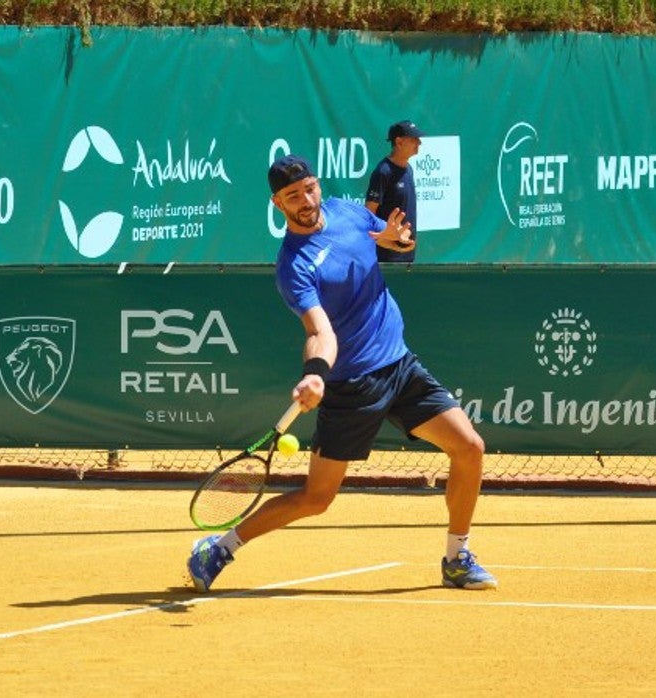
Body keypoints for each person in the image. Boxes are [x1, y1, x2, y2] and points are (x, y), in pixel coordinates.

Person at [187, 154, 497, 592]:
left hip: (400, 364)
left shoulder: (347, 211)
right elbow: (320, 330)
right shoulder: (293, 266)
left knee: (469, 447)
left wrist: (394, 238)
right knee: (317, 499)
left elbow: (380, 239)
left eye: (309, 188)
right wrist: (315, 373)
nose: (305, 200)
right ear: (278, 204)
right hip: (352, 385)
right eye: (292, 196)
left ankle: (456, 558)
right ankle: (222, 546)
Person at [365, 120, 423, 263]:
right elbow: (367, 215)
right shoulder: (383, 172)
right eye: (414, 139)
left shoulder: (409, 169)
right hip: (386, 257)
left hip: (407, 252)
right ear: (399, 142)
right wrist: (387, 241)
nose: (419, 143)